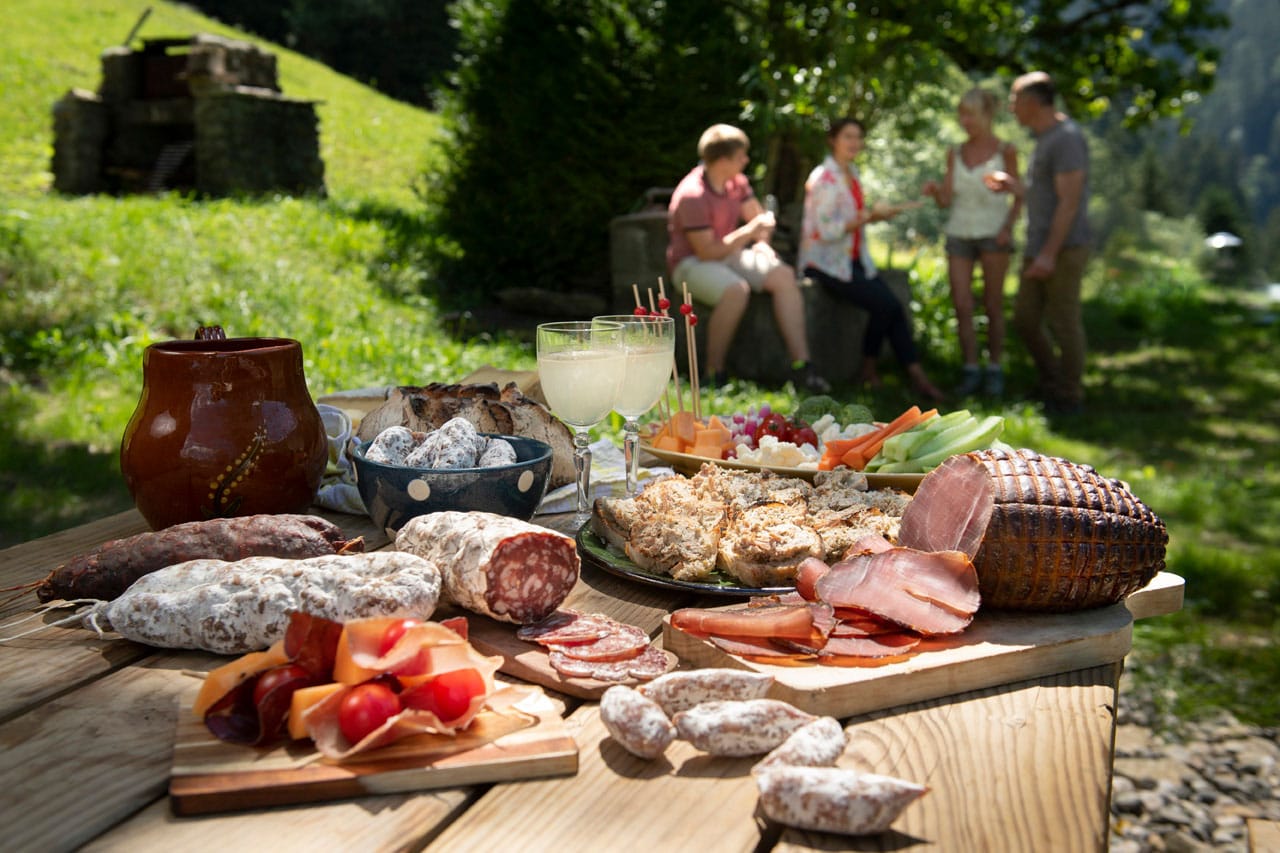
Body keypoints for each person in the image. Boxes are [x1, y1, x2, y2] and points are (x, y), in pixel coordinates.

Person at [666, 124, 830, 393]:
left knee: (783, 275)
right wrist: (750, 233)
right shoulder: (691, 195)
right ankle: (713, 373)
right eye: (741, 156)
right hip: (691, 263)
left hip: (727, 252)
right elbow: (707, 251)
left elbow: (758, 219)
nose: (746, 160)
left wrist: (762, 245)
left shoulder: (737, 182)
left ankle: (803, 367)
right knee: (735, 291)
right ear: (723, 160)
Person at [798, 117, 943, 400]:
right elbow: (826, 231)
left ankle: (906, 375)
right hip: (825, 263)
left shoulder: (851, 172)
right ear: (833, 140)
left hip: (852, 261)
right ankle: (877, 371)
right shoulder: (823, 179)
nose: (855, 143)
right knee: (886, 305)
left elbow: (851, 221)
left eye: (858, 137)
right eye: (848, 136)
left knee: (892, 307)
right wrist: (869, 217)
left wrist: (875, 216)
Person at [987, 71, 1091, 414]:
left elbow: (1069, 201)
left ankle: (1069, 395)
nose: (1011, 107)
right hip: (1038, 248)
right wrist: (1014, 187)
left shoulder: (1067, 139)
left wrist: (1048, 254)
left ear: (1032, 103)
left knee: (1064, 321)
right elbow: (1044, 194)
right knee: (1025, 319)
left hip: (1062, 249)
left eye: (1015, 100)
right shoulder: (1045, 138)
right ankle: (1052, 382)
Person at [921, 87, 1021, 397]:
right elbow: (946, 200)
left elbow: (1020, 195)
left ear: (988, 115)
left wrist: (1008, 228)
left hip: (994, 233)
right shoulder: (955, 152)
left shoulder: (1006, 151)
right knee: (962, 305)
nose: (965, 121)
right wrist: (936, 191)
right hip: (959, 232)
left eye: (971, 115)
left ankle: (994, 369)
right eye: (962, 114)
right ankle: (970, 369)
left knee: (992, 304)